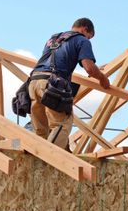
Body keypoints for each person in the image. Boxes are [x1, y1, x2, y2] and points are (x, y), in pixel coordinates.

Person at [28, 18, 110, 149]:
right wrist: (102, 78)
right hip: (51, 84)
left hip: (34, 82)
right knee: (62, 124)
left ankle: (39, 158)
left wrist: (93, 71)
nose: (88, 40)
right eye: (90, 37)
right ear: (85, 29)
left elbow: (58, 61)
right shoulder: (82, 40)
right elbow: (89, 67)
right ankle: (49, 160)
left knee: (42, 130)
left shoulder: (54, 39)